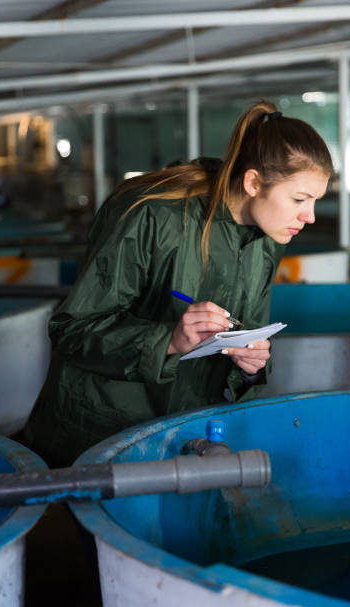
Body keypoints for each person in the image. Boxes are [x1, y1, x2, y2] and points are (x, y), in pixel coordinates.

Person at [23, 100, 333, 467]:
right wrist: (167, 340)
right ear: (252, 182)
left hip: (183, 430)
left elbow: (244, 332)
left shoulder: (266, 237)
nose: (309, 216)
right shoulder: (151, 213)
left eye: (315, 201)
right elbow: (72, 329)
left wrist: (252, 365)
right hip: (101, 434)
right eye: (300, 199)